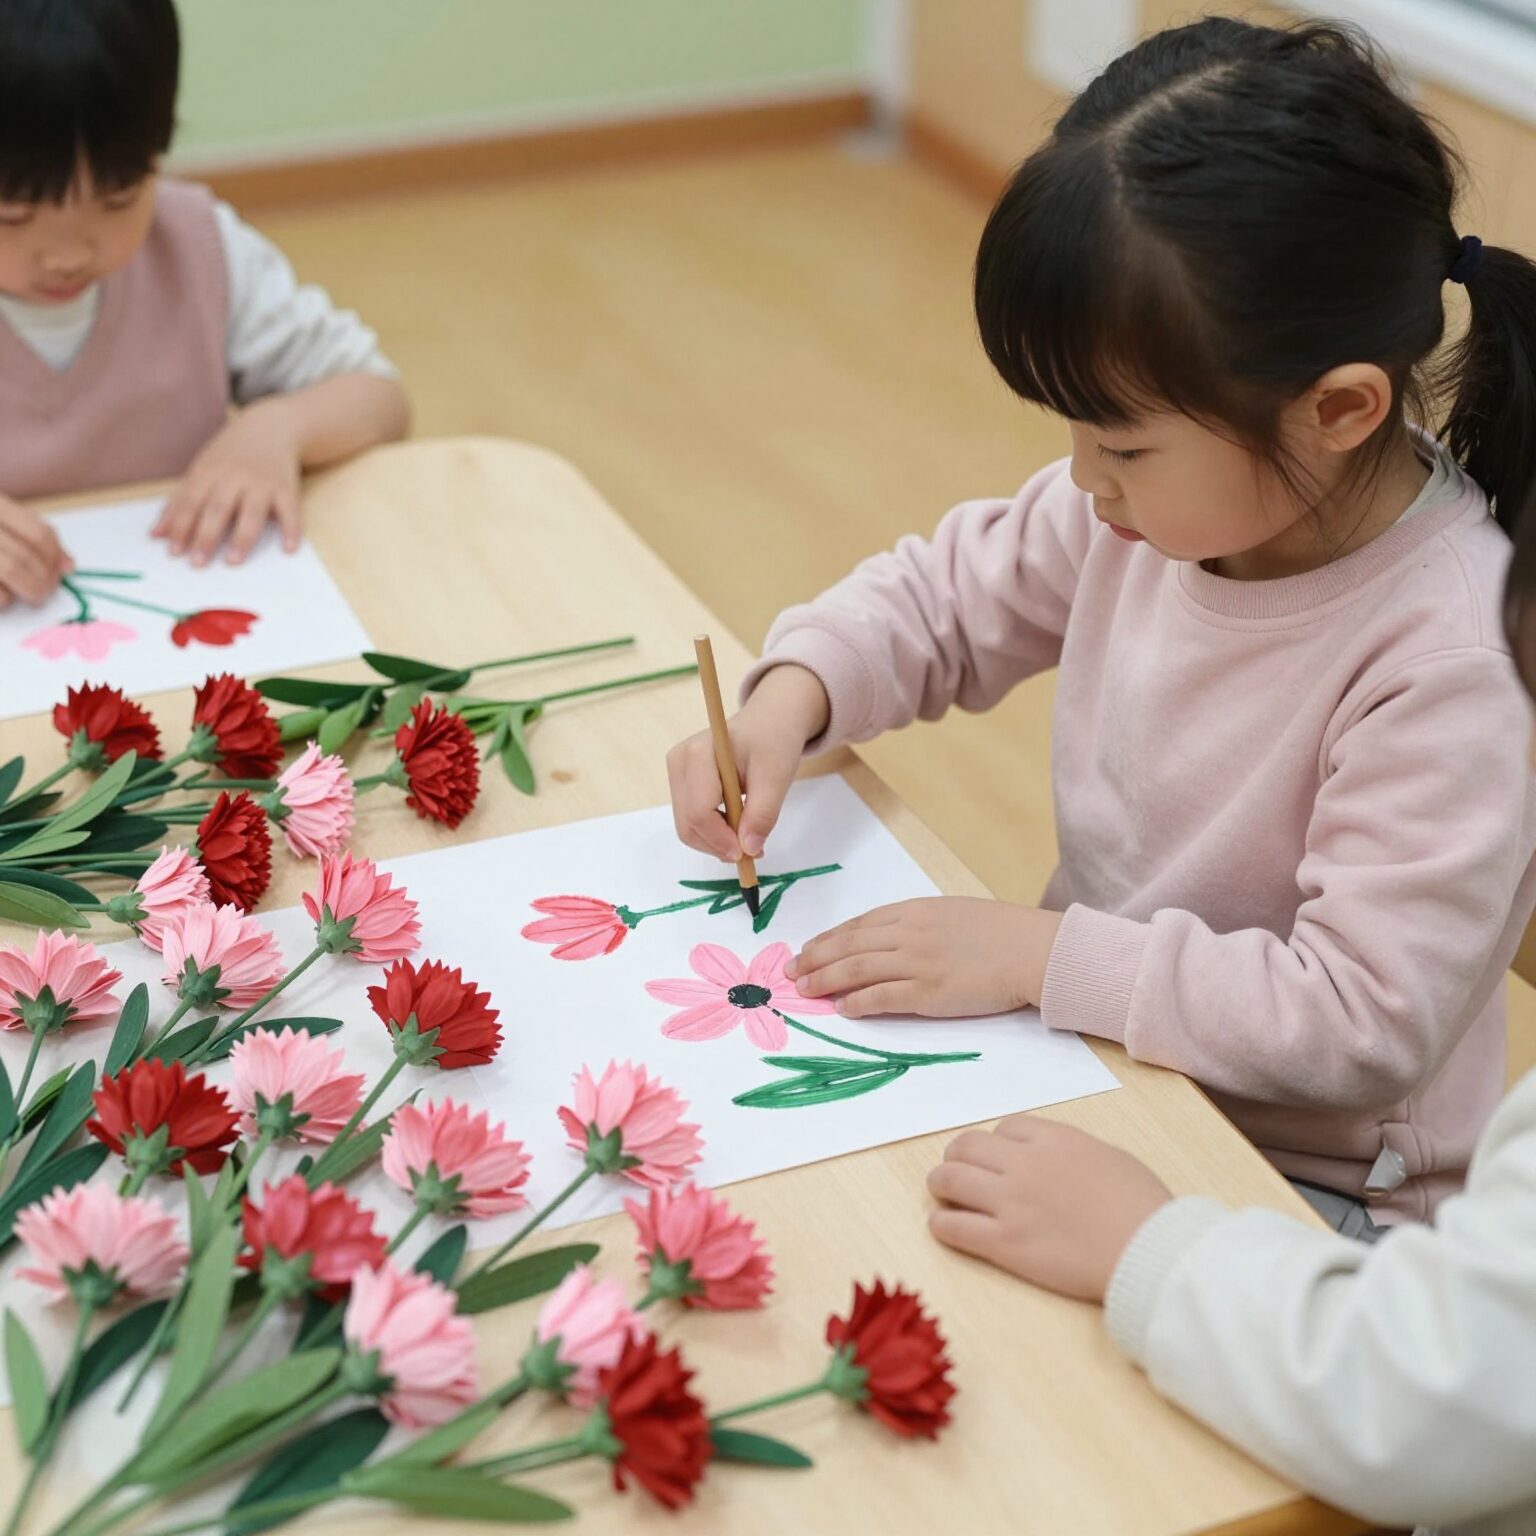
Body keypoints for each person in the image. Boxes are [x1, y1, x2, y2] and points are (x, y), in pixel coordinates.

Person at [666, 17, 1536, 1231]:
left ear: (1338, 410)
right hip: (1103, 1057)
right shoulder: (1147, 513)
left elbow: (1356, 1022)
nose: (1083, 480)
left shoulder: (1451, 656)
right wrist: (791, 697)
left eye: (1121, 444)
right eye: (1075, 432)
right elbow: (942, 599)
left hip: (1312, 1191)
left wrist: (1038, 956)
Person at [0, 0, 409, 610]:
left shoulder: (199, 250)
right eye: (12, 216)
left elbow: (380, 397)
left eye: (117, 199)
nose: (67, 255)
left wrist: (280, 428)